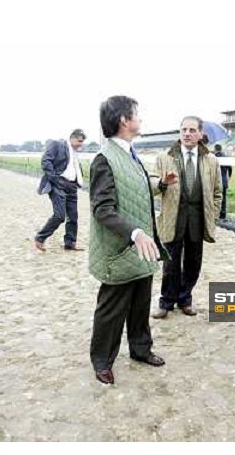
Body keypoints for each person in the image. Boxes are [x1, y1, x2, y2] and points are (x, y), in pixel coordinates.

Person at [88, 96, 177, 385]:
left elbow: (136, 189)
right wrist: (135, 233)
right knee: (112, 309)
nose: (140, 119)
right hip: (120, 248)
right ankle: (102, 360)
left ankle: (141, 350)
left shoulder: (129, 152)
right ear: (124, 120)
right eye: (136, 114)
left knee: (140, 303)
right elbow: (102, 209)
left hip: (142, 248)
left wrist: (161, 184)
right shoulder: (105, 158)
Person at [152, 116, 222, 319]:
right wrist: (162, 183)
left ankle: (185, 299)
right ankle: (166, 302)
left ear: (200, 134)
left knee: (193, 263)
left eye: (192, 130)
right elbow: (153, 185)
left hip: (198, 221)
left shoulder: (211, 160)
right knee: (170, 264)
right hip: (173, 219)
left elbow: (218, 192)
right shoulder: (164, 157)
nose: (187, 134)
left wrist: (213, 215)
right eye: (184, 129)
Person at [34, 129, 86, 252]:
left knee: (73, 217)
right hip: (59, 184)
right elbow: (45, 161)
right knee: (59, 215)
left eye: (82, 142)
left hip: (72, 186)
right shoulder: (57, 144)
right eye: (79, 141)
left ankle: (70, 243)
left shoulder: (74, 152)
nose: (81, 144)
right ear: (72, 138)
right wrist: (55, 179)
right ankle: (40, 238)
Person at [214, 143, 233, 219]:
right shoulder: (225, 157)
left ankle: (216, 213)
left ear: (215, 149)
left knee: (216, 197)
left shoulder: (214, 157)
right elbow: (230, 168)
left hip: (216, 181)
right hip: (224, 180)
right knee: (223, 198)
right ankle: (223, 214)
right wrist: (229, 177)